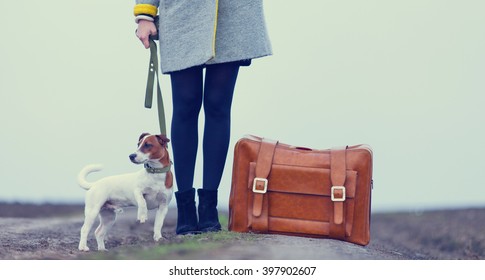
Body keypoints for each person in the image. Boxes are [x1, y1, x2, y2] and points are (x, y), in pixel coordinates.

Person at [134, 0, 272, 235]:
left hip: (233, 13)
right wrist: (145, 14)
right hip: (182, 13)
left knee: (218, 105)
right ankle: (185, 208)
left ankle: (209, 209)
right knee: (185, 104)